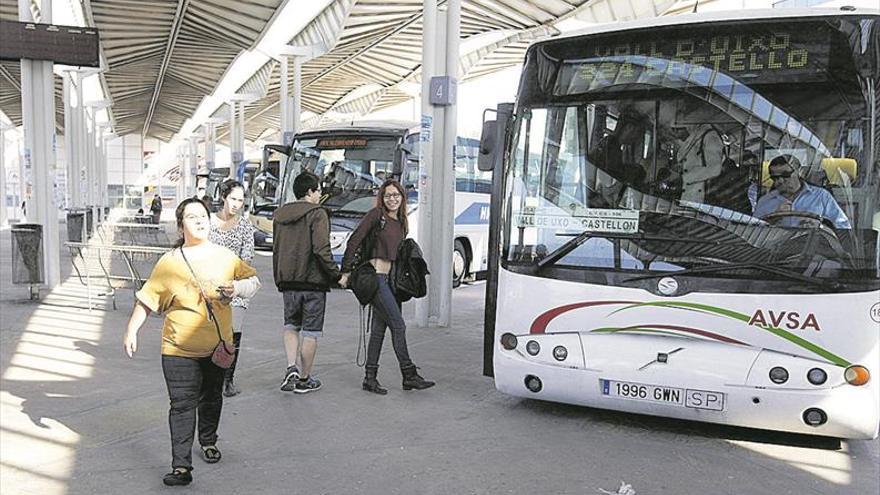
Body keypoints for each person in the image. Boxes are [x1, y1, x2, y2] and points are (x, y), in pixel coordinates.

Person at [122, 197, 261, 487]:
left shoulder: (225, 256)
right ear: (180, 225)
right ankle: (181, 466)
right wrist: (131, 330)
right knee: (182, 405)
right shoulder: (170, 262)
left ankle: (208, 440)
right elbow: (147, 299)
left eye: (203, 216)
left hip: (216, 348)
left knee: (211, 398)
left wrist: (236, 288)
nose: (200, 221)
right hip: (177, 349)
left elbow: (253, 283)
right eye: (192, 217)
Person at [340, 179, 434, 395]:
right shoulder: (376, 216)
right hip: (375, 279)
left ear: (402, 197)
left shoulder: (401, 222)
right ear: (382, 198)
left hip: (390, 283)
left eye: (396, 195)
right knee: (398, 325)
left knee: (378, 331)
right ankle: (408, 374)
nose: (392, 199)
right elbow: (355, 240)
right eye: (388, 195)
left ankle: (369, 378)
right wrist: (345, 271)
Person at [272, 171, 341, 394]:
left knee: (291, 326)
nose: (319, 194)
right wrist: (336, 275)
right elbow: (321, 250)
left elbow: (277, 250)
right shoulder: (317, 214)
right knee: (311, 332)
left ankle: (291, 367)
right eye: (318, 190)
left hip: (288, 281)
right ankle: (304, 379)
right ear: (310, 192)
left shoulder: (280, 215)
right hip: (312, 283)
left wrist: (279, 277)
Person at [208, 180, 256, 397]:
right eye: (233, 199)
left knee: (233, 334)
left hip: (235, 288)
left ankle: (228, 379)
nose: (237, 204)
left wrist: (234, 284)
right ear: (224, 197)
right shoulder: (207, 223)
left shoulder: (245, 227)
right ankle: (211, 378)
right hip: (209, 288)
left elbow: (247, 259)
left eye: (241, 201)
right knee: (210, 334)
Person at [752, 155, 851, 229]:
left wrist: (821, 226)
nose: (780, 181)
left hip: (814, 251)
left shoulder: (821, 196)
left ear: (799, 172)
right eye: (775, 177)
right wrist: (773, 218)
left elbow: (843, 227)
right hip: (775, 253)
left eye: (785, 175)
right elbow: (752, 231)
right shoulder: (765, 201)